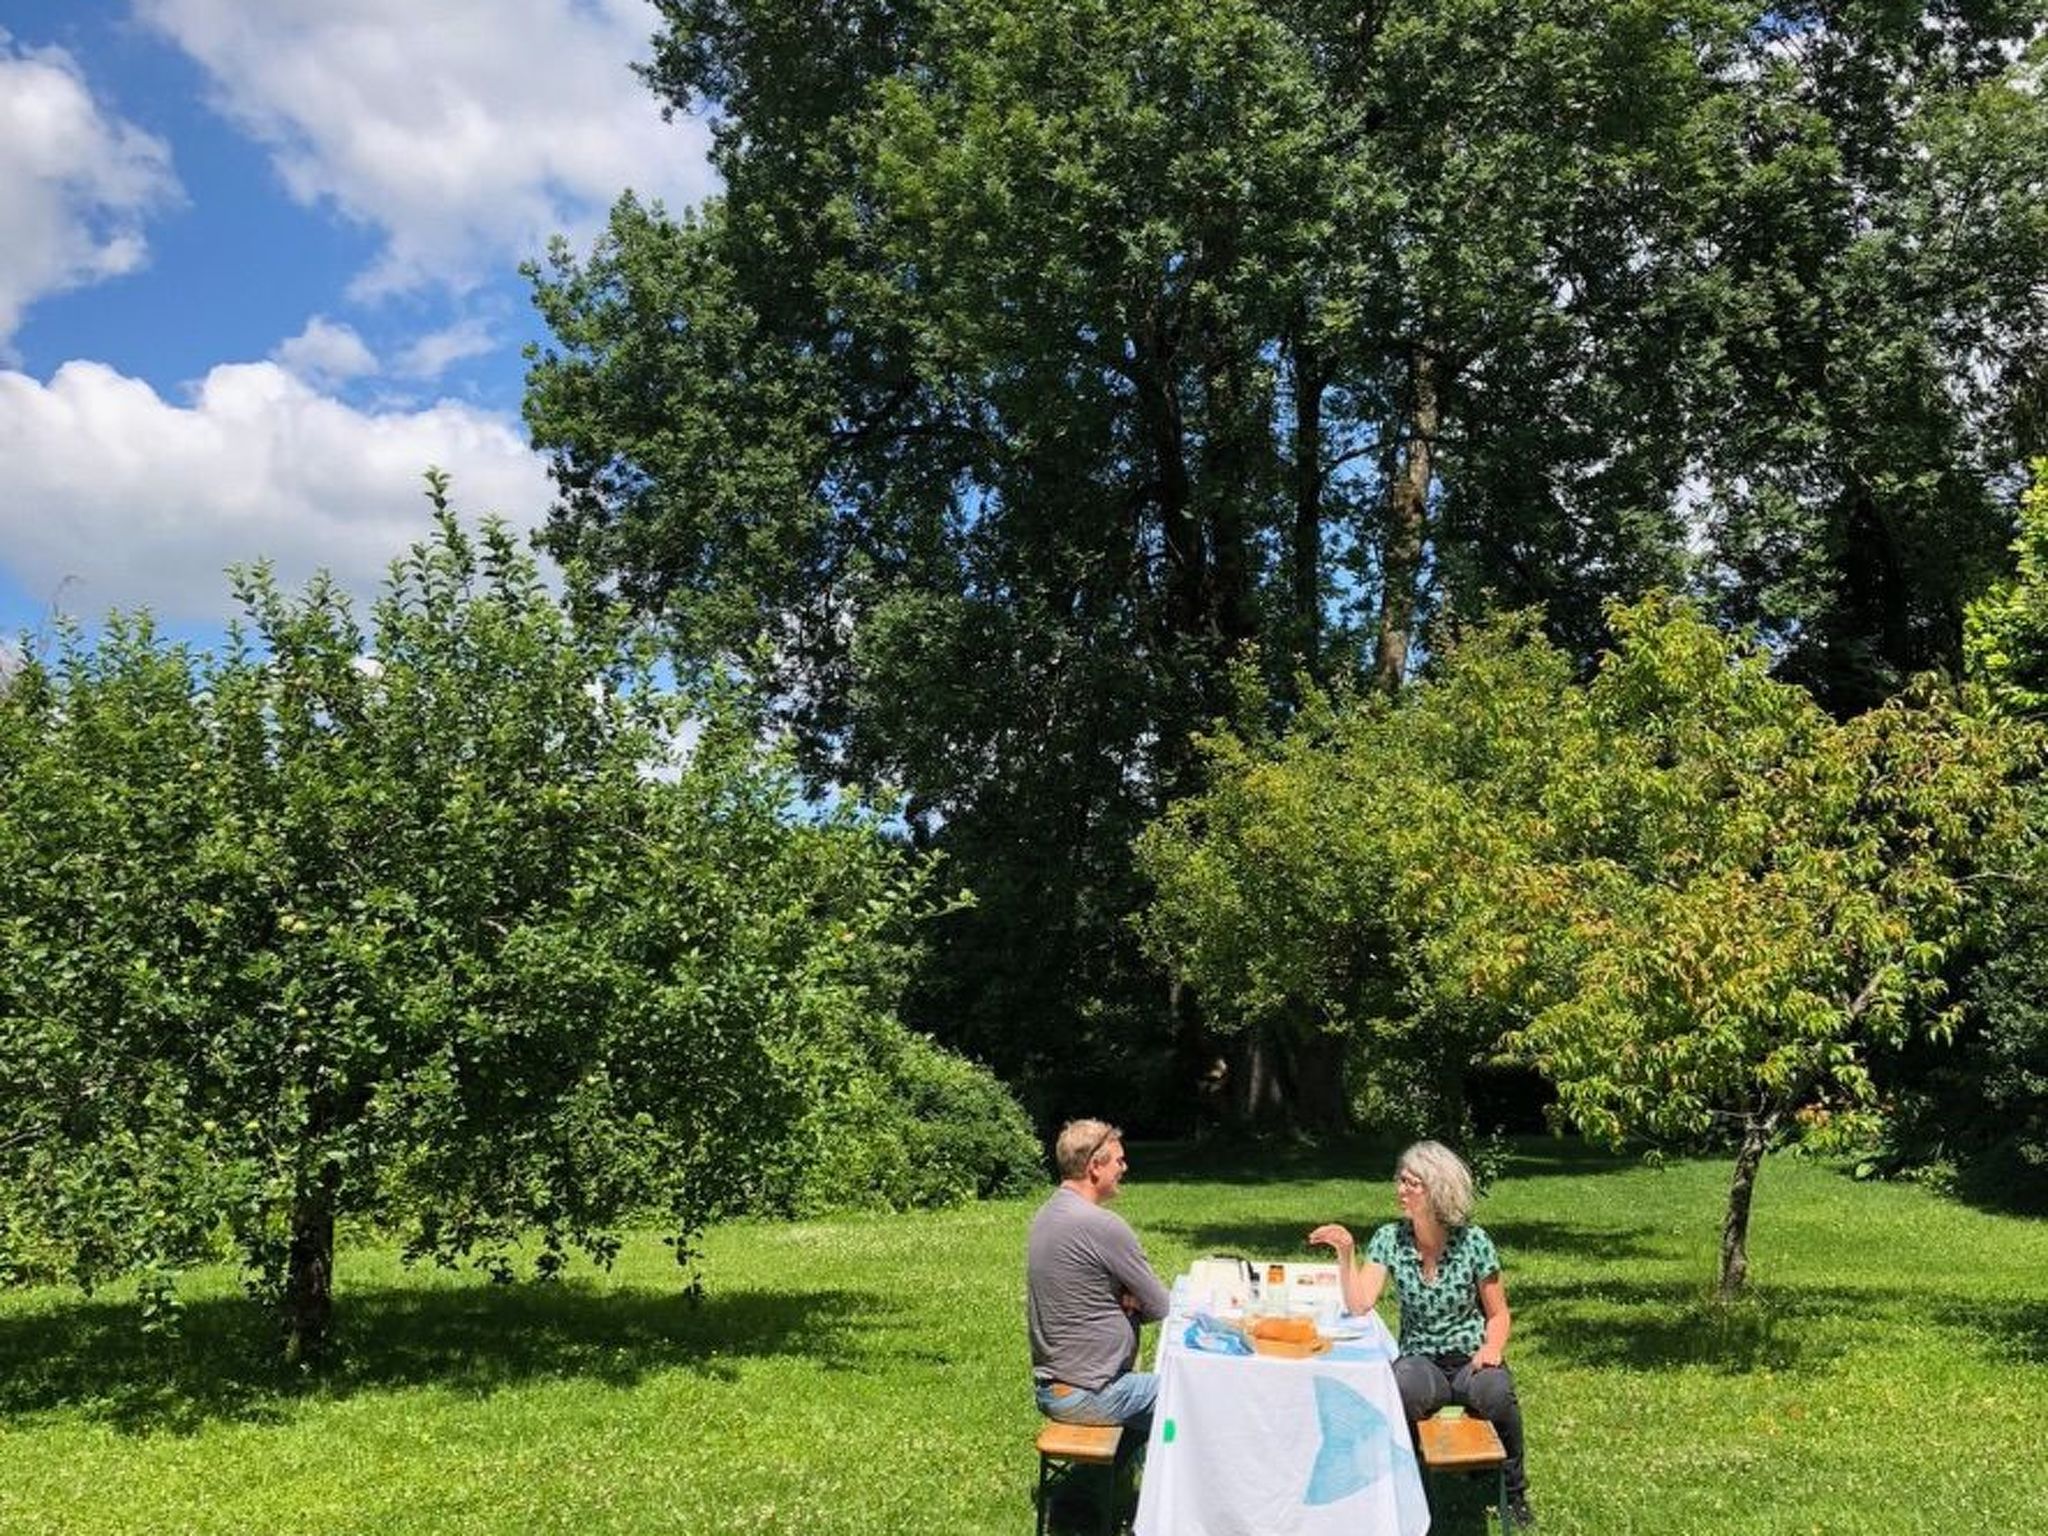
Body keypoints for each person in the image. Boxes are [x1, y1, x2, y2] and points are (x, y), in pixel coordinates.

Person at [1309, 1140, 1535, 1527]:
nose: (1401, 1189)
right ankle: (1407, 1486)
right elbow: (1360, 1303)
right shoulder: (1388, 1239)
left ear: (1438, 1189)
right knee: (1399, 1388)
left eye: (1412, 1183)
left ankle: (1513, 1491)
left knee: (1496, 1394)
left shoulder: (1474, 1241)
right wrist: (1346, 1254)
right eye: (1401, 1180)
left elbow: (1498, 1314)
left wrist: (1492, 1347)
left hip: (1469, 1358)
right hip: (1421, 1359)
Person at [1026, 1118, 1171, 1439]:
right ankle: (1178, 1486)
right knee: (1194, 1396)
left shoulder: (1046, 1215)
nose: (1125, 1167)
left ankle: (1102, 1486)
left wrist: (1127, 1301)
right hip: (1090, 1393)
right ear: (1095, 1166)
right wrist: (1133, 1303)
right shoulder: (1102, 1225)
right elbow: (1162, 1306)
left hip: (1056, 1387)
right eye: (1118, 1160)